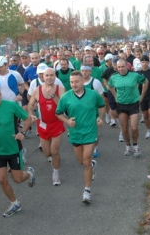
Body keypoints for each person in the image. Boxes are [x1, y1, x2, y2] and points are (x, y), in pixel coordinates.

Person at [0, 84, 36, 217]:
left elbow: (27, 118)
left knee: (17, 179)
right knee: (2, 180)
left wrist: (23, 132)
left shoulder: (11, 106)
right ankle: (14, 203)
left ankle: (29, 174)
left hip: (14, 149)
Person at [55, 71, 105, 204]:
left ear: (83, 81)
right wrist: (67, 122)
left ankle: (87, 191)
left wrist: (99, 118)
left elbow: (102, 106)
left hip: (90, 132)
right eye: (71, 82)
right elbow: (58, 113)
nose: (74, 84)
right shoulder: (66, 97)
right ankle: (91, 166)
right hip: (75, 133)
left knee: (86, 160)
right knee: (81, 161)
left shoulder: (93, 95)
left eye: (76, 81)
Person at [28, 68, 65, 186]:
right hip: (43, 124)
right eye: (47, 75)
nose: (49, 77)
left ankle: (56, 173)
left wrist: (53, 95)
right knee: (47, 152)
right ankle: (54, 160)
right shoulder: (37, 90)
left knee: (54, 151)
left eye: (52, 75)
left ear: (55, 76)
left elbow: (64, 106)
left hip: (57, 123)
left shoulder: (60, 89)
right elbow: (30, 104)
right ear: (43, 77)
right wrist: (31, 115)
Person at [108, 59, 148, 157]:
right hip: (121, 104)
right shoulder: (114, 77)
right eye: (119, 67)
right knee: (124, 129)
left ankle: (135, 145)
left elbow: (146, 81)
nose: (121, 69)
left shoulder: (134, 75)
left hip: (133, 103)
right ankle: (127, 146)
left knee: (134, 128)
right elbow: (110, 86)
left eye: (123, 67)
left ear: (127, 66)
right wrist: (115, 96)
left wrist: (142, 96)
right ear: (116, 67)